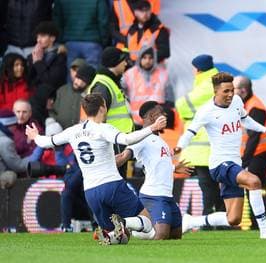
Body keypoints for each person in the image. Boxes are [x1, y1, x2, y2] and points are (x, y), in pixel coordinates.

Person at [25, 93, 167, 245]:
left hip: (91, 192)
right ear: (103, 108)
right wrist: (152, 128)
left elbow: (47, 142)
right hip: (112, 185)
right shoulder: (103, 129)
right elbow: (127, 139)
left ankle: (112, 234)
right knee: (147, 223)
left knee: (121, 238)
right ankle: (123, 222)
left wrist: (35, 136)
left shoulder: (73, 131)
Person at [175, 72, 266, 239]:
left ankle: (192, 222)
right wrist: (179, 147)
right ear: (216, 91)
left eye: (232, 90)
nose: (231, 94)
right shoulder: (206, 111)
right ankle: (265, 230)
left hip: (234, 164)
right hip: (220, 165)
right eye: (226, 91)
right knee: (254, 181)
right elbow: (190, 132)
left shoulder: (237, 102)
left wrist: (263, 129)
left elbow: (245, 120)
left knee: (233, 219)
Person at [116, 101, 193, 239]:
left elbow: (156, 164)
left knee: (175, 236)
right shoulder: (141, 137)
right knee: (161, 235)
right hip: (153, 195)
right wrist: (102, 165)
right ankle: (127, 227)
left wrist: (174, 167)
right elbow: (123, 156)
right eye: (161, 113)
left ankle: (134, 227)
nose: (165, 115)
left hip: (167, 196)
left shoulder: (160, 140)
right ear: (152, 116)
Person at [175, 54, 225, 218]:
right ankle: (219, 216)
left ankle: (208, 216)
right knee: (212, 183)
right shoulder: (216, 83)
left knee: (207, 183)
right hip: (212, 142)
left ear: (198, 69)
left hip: (203, 144)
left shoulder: (207, 85)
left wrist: (188, 116)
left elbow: (182, 105)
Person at [233, 76, 266, 187]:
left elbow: (253, 139)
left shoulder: (256, 109)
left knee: (252, 179)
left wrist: (243, 163)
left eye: (233, 89)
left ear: (243, 91)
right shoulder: (240, 103)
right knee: (252, 180)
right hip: (254, 147)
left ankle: (259, 202)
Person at [88, 47, 133, 133]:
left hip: (119, 138)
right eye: (123, 60)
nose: (126, 64)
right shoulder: (102, 85)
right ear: (115, 63)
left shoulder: (111, 81)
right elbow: (97, 119)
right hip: (113, 141)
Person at [53, 0, 109, 69]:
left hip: (70, 43)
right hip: (93, 43)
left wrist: (60, 41)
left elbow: (57, 21)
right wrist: (104, 41)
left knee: (73, 75)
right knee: (93, 75)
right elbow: (103, 22)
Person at [121, 46, 169, 125]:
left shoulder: (163, 74)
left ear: (154, 59)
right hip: (135, 121)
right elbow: (121, 95)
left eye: (150, 58)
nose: (147, 61)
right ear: (140, 58)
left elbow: (169, 97)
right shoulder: (130, 74)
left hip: (157, 122)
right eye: (144, 57)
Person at [49, 58, 87, 129]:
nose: (76, 73)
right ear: (70, 71)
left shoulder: (90, 91)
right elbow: (52, 111)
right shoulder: (62, 90)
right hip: (62, 132)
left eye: (79, 71)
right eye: (74, 70)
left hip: (82, 132)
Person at [0, 109, 29, 185]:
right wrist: (34, 157)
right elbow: (18, 166)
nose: (16, 128)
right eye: (15, 125)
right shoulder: (5, 142)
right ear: (9, 126)